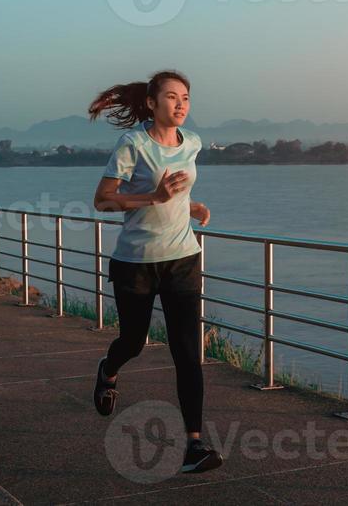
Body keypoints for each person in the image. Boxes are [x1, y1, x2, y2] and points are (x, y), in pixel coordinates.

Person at [86, 69, 221, 474]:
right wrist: (154, 197)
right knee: (133, 342)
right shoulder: (132, 144)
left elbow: (180, 188)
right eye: (171, 98)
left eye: (186, 98)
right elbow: (103, 201)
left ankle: (194, 446)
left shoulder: (192, 142)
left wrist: (188, 206)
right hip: (135, 263)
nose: (180, 105)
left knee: (187, 353)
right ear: (151, 103)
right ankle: (108, 370)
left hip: (182, 257)